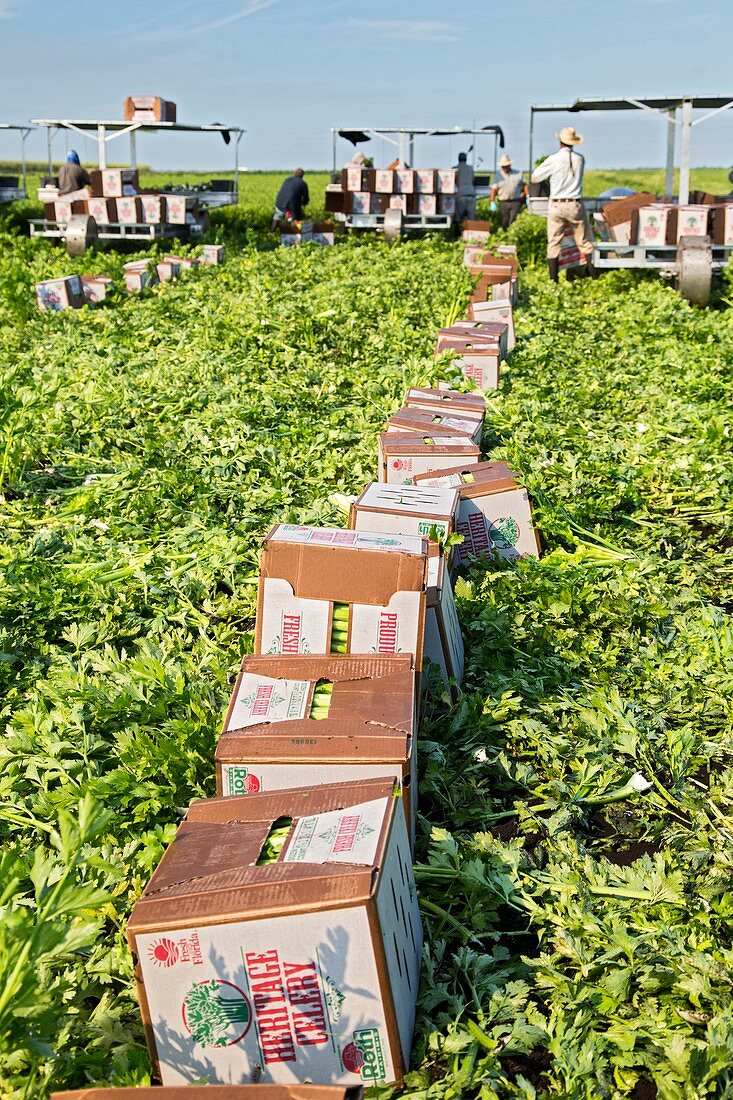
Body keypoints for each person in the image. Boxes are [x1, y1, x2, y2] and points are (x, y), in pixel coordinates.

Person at [530, 126, 596, 282]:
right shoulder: (580, 159)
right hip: (574, 205)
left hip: (557, 206)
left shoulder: (554, 159)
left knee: (554, 243)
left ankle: (554, 281)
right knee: (585, 242)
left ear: (560, 142)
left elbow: (535, 177)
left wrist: (550, 180)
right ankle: (595, 277)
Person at [490, 154, 528, 229]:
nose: (504, 168)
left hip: (515, 201)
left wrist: (527, 196)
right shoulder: (498, 175)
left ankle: (512, 233)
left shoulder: (518, 174)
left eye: (506, 166)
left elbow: (524, 185)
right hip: (503, 201)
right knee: (505, 219)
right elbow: (493, 189)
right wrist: (492, 202)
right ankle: (505, 233)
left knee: (513, 218)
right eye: (503, 166)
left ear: (509, 165)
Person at [454, 152, 476, 223]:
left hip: (460, 195)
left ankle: (458, 233)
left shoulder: (455, 169)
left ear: (458, 159)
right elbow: (473, 180)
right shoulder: (470, 168)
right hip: (471, 195)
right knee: (471, 220)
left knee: (458, 218)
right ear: (466, 159)